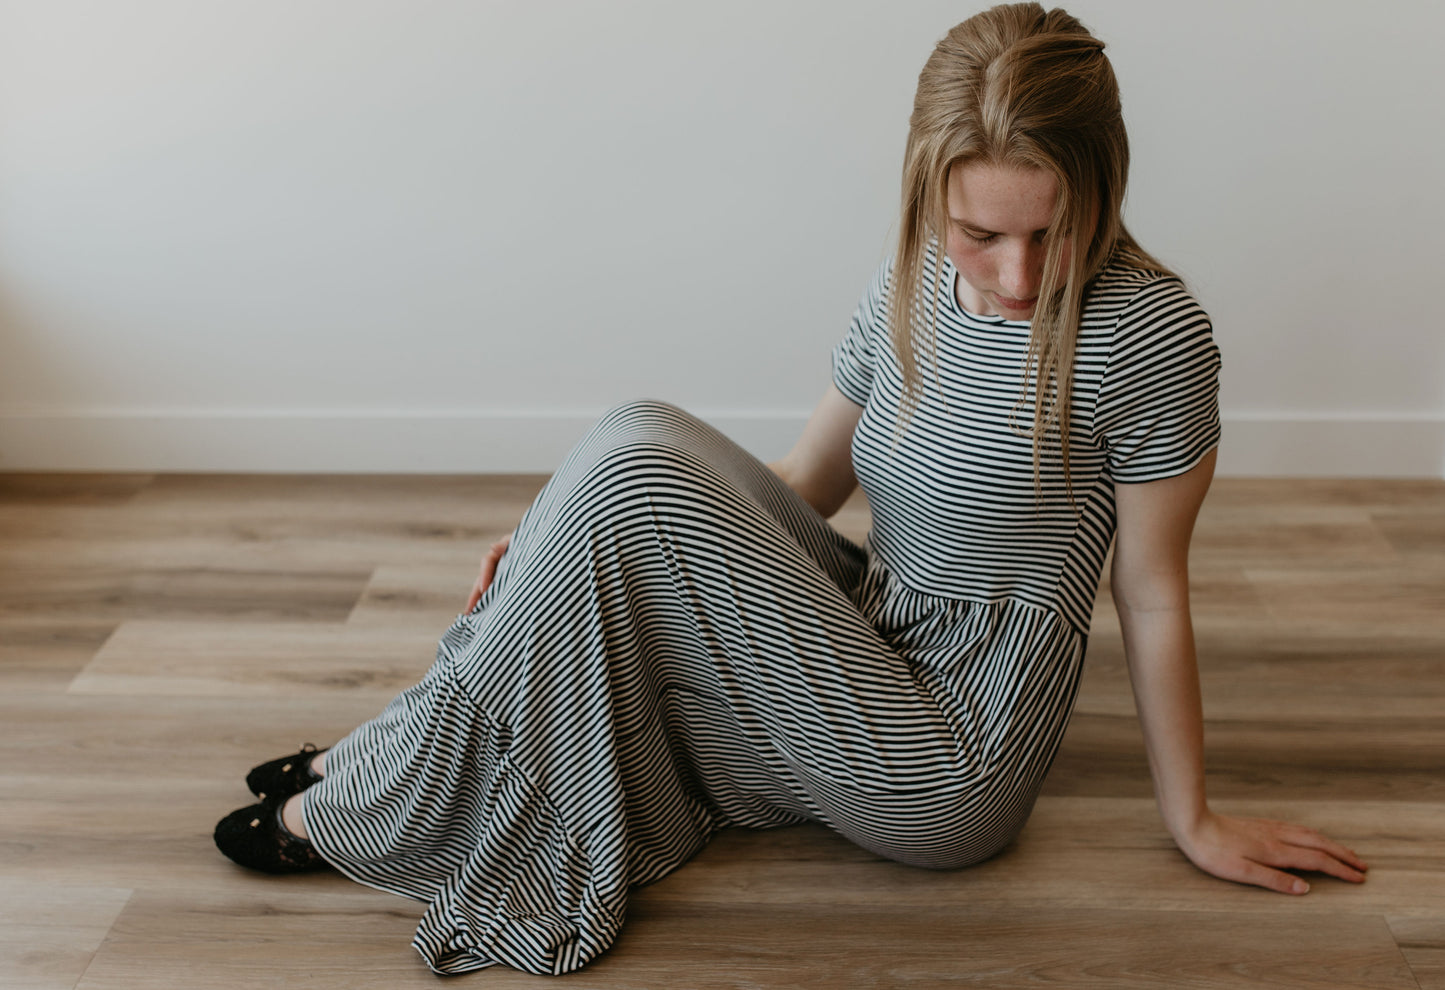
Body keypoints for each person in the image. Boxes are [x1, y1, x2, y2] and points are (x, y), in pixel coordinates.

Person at [214, 2, 1367, 976]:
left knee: (632, 482)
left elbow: (1152, 591)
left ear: (1102, 186)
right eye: (979, 234)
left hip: (954, 755)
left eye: (1049, 234)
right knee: (636, 435)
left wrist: (1193, 819)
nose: (1016, 276)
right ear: (928, 198)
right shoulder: (908, 280)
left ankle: (379, 786)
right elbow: (802, 484)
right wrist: (554, 535)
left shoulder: (1149, 336)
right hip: (869, 635)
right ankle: (415, 745)